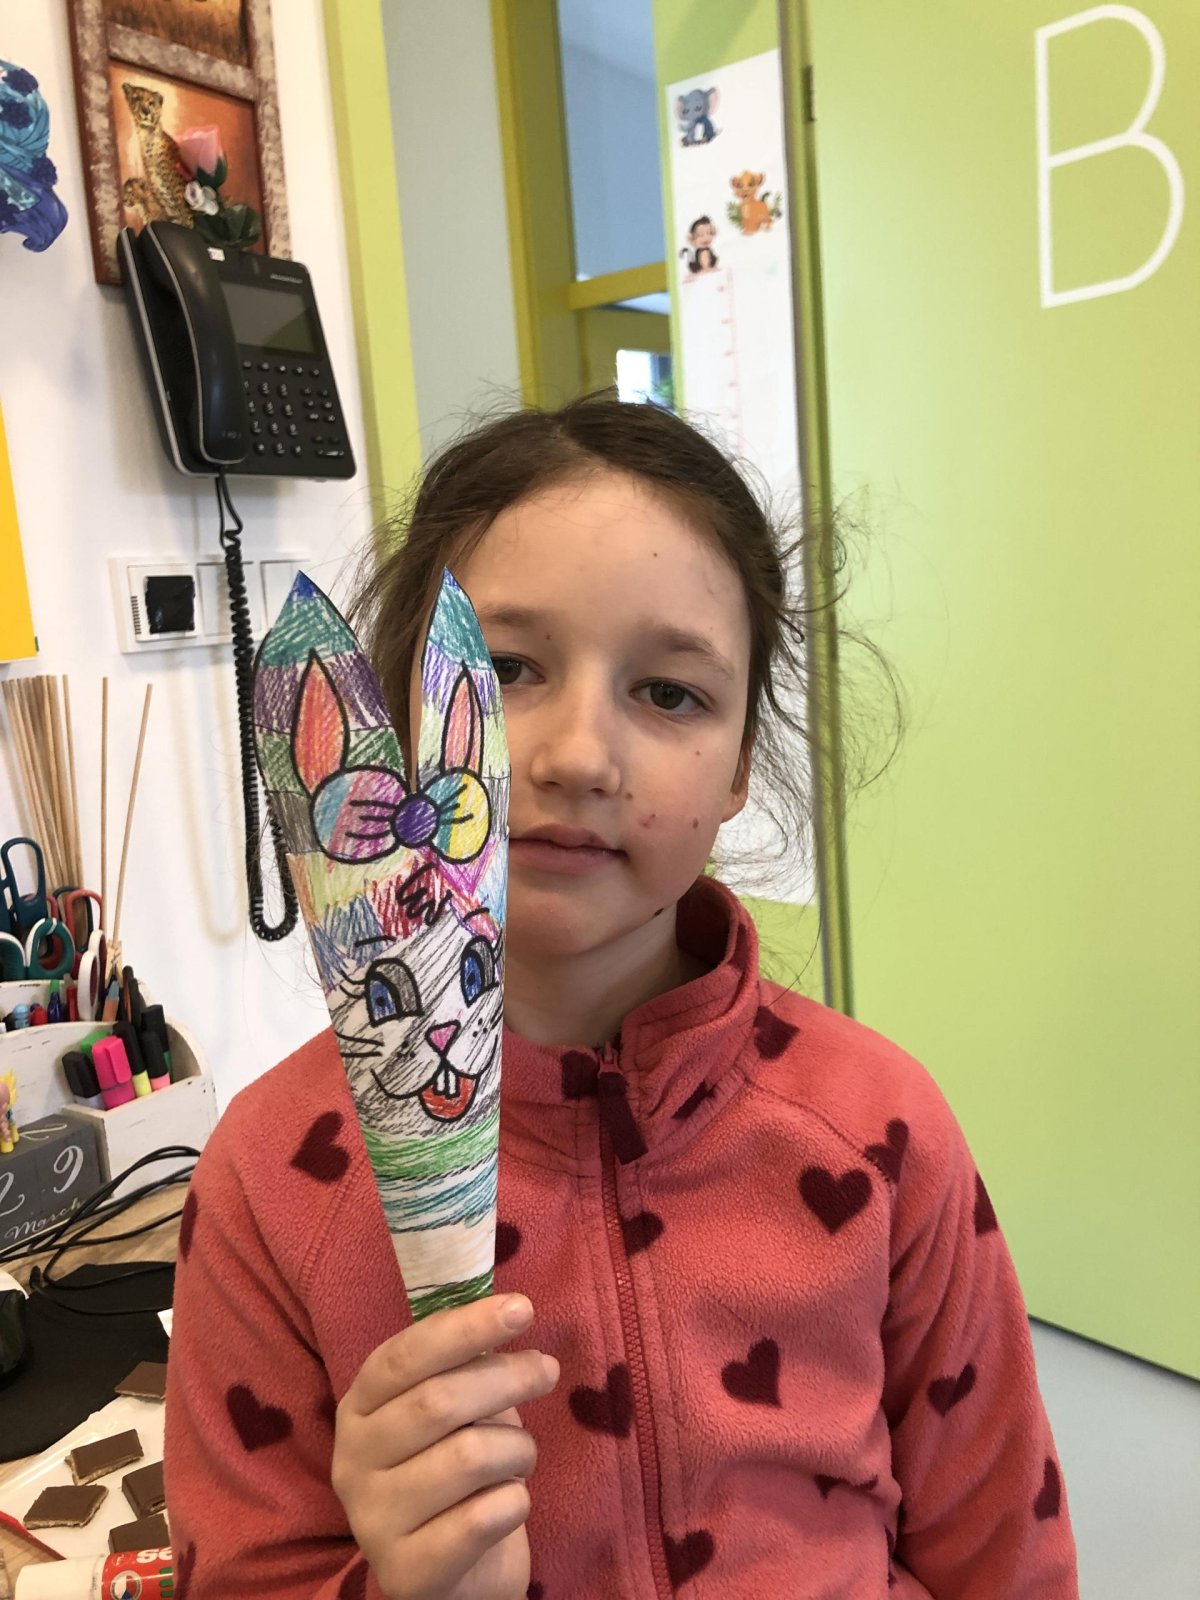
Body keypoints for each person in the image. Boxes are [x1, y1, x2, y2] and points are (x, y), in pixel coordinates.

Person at [164, 397, 1080, 1599]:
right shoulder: (275, 1180)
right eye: (504, 669)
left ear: (741, 763)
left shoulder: (878, 1129)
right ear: (386, 714)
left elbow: (1004, 1548)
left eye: (670, 692)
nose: (577, 756)